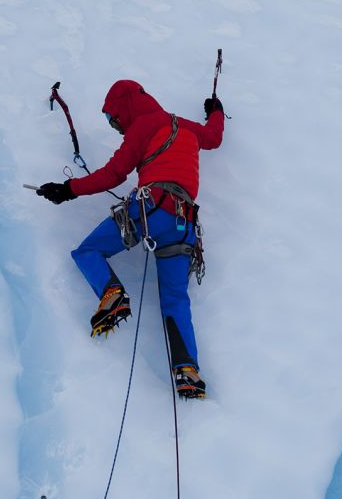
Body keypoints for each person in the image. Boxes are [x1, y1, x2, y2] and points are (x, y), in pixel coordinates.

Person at [36, 80, 225, 399]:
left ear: (124, 108)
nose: (117, 127)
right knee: (175, 298)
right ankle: (187, 371)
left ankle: (111, 294)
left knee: (89, 251)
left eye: (114, 119)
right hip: (184, 224)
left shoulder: (144, 125)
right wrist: (216, 112)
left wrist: (67, 190)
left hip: (151, 207)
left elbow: (114, 174)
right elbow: (214, 138)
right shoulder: (189, 127)